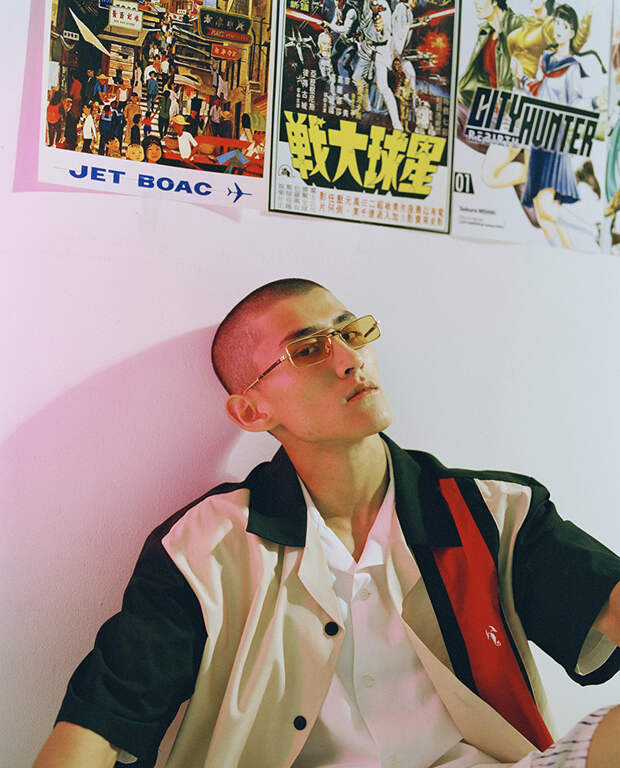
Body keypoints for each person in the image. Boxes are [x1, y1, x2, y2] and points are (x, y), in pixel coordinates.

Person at [33, 279, 620, 768]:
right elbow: (102, 720)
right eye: (309, 350)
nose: (349, 359)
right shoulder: (206, 546)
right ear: (252, 411)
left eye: (352, 333)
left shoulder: (492, 511)